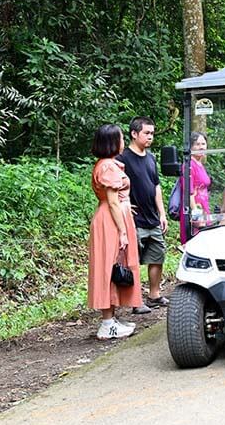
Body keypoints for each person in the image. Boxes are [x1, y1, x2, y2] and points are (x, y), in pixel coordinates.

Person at [88, 124, 142, 339]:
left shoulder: (106, 164)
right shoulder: (108, 167)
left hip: (113, 216)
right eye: (120, 138)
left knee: (113, 266)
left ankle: (111, 318)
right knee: (110, 266)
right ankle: (107, 323)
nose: (123, 141)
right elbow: (111, 202)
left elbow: (115, 199)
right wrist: (122, 231)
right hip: (110, 221)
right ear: (112, 142)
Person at [117, 116, 169, 314]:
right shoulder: (122, 158)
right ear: (134, 133)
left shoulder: (151, 157)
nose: (150, 137)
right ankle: (135, 300)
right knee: (134, 260)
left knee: (157, 256)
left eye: (152, 133)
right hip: (134, 218)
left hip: (152, 217)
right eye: (147, 133)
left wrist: (162, 213)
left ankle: (154, 294)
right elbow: (115, 185)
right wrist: (124, 203)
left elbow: (156, 186)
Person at [179, 131, 211, 243]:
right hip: (194, 209)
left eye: (203, 144)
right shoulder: (189, 165)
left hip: (204, 207)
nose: (201, 147)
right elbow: (189, 191)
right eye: (197, 144)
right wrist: (196, 214)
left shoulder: (200, 164)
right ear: (191, 147)